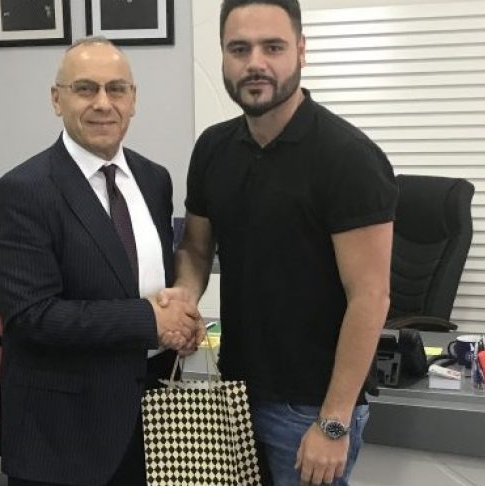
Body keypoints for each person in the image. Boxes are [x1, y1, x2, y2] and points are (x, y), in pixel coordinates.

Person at [160, 1, 399, 485]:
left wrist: (334, 422)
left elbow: (371, 297)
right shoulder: (212, 149)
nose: (255, 63)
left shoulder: (348, 158)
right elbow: (197, 249)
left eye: (273, 47)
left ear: (301, 51)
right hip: (234, 392)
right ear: (223, 56)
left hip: (309, 408)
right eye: (239, 49)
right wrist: (184, 298)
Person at [0, 37, 202, 486]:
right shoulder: (22, 191)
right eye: (85, 89)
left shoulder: (154, 179)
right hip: (63, 436)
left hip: (152, 421)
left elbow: (146, 281)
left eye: (116, 89)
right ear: (56, 99)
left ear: (133, 99)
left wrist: (180, 319)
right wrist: (151, 321)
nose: (103, 103)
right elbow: (31, 316)